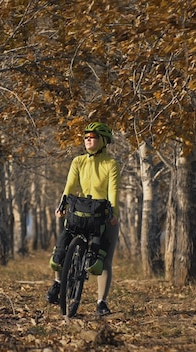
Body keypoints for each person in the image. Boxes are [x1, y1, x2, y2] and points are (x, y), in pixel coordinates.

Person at [45, 122, 120, 316]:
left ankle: (101, 302)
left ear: (103, 141)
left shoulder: (110, 163)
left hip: (102, 214)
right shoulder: (78, 161)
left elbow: (113, 191)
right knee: (62, 247)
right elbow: (70, 185)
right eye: (86, 137)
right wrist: (62, 204)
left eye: (93, 137)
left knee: (104, 260)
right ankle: (58, 283)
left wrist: (114, 213)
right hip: (80, 211)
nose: (88, 139)